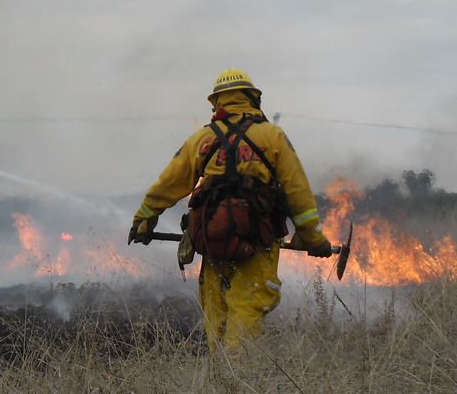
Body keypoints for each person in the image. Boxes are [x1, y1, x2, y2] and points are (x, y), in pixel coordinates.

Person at [128, 69, 332, 352]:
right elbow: (297, 192)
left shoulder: (202, 139)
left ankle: (220, 383)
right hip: (258, 241)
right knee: (247, 310)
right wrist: (313, 238)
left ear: (218, 103)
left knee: (217, 315)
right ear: (253, 99)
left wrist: (144, 220)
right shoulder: (272, 136)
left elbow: (168, 184)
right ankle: (237, 384)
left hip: (213, 241)